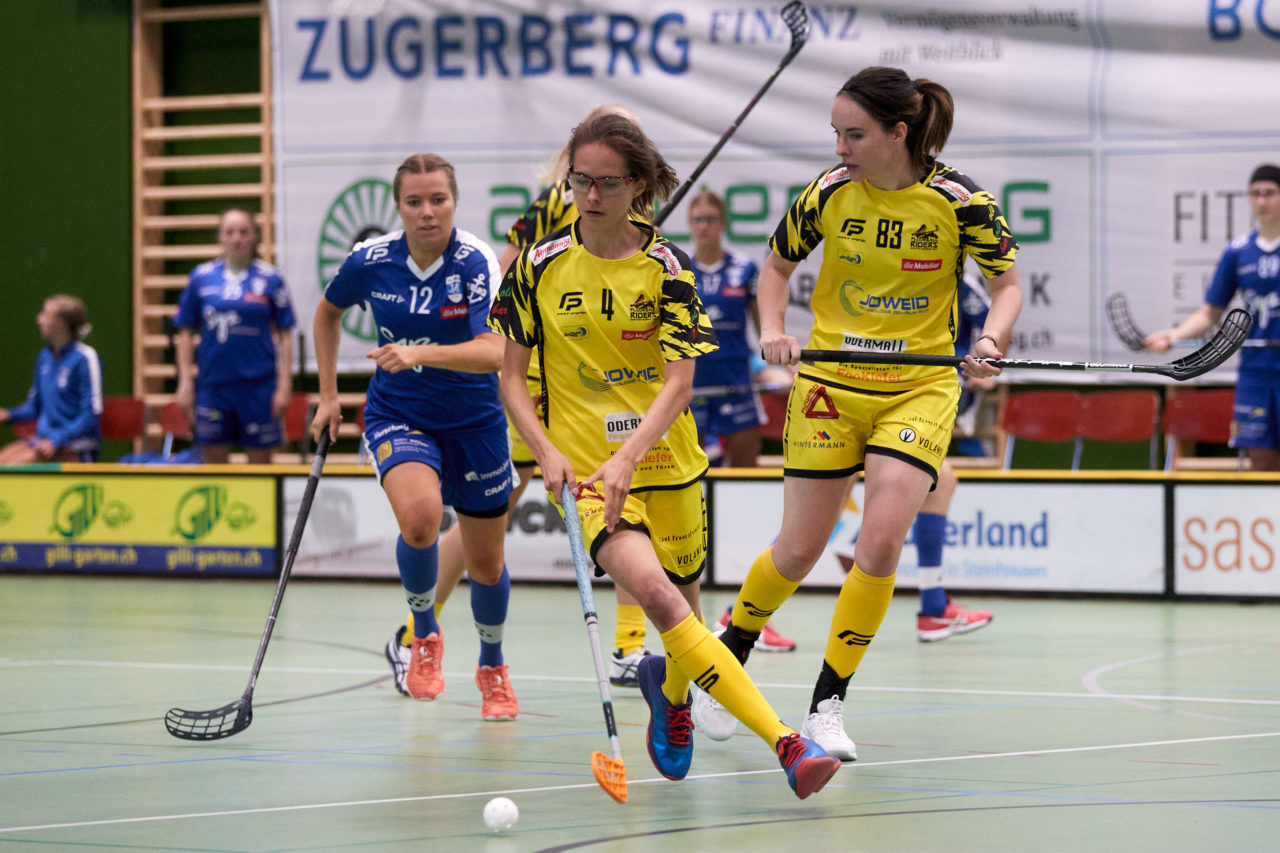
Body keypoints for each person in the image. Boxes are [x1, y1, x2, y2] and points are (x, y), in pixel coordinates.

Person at [489, 112, 841, 799]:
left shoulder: (670, 269)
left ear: (641, 185)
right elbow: (510, 377)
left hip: (669, 463)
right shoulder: (536, 267)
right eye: (579, 181)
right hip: (591, 475)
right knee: (657, 596)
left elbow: (680, 386)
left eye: (607, 183)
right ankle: (788, 744)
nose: (590, 196)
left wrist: (630, 456)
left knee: (681, 595)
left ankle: (669, 692)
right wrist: (546, 451)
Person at [692, 66, 1023, 758]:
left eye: (855, 134)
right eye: (836, 133)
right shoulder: (829, 192)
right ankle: (729, 657)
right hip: (830, 385)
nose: (840, 147)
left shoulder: (962, 201)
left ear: (899, 132)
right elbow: (774, 269)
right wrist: (776, 327)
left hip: (918, 387)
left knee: (878, 543)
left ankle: (826, 705)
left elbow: (1008, 284)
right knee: (799, 550)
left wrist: (992, 340)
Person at [386, 105, 658, 694]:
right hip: (542, 387)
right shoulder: (559, 207)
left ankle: (630, 649)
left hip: (592, 389)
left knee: (612, 504)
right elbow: (511, 284)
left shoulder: (634, 209)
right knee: (499, 515)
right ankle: (413, 636)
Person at [312, 153, 519, 721]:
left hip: (475, 421)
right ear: (398, 206)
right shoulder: (371, 260)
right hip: (399, 414)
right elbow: (326, 314)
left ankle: (492, 666)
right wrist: (329, 395)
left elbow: (494, 353)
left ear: (454, 201)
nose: (427, 213)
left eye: (438, 200)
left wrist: (419, 352)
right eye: (414, 202)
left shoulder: (476, 262)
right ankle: (423, 635)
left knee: (487, 567)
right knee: (422, 518)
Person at [684, 189, 799, 651]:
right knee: (688, 482)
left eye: (711, 218)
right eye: (697, 220)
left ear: (723, 222)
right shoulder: (680, 270)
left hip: (737, 389)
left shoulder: (744, 270)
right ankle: (700, 568)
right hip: (690, 393)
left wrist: (779, 367)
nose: (704, 226)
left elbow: (764, 325)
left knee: (743, 481)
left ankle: (740, 578)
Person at [1144, 163, 1280, 472]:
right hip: (1256, 374)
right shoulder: (1238, 251)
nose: (1262, 201)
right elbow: (1211, 311)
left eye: (1270, 193)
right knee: (1261, 461)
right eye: (1255, 193)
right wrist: (1173, 336)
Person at [173, 207, 296, 464]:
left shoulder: (271, 278)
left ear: (254, 236)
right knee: (215, 470)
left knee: (261, 471)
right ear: (220, 237)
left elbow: (286, 335)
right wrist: (185, 382)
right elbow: (184, 331)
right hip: (214, 387)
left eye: (244, 232)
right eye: (230, 232)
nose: (237, 238)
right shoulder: (201, 278)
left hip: (259, 387)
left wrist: (284, 386)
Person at [915, 273, 998, 642]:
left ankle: (933, 607)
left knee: (941, 480)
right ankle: (738, 619)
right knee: (809, 536)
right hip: (885, 393)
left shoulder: (963, 281)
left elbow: (995, 316)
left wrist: (988, 354)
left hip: (914, 395)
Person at [0, 295, 102, 463]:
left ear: (60, 323)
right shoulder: (44, 357)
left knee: (14, 466)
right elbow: (34, 407)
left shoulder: (85, 358)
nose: (39, 319)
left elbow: (90, 414)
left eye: (45, 314)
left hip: (77, 445)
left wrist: (58, 438)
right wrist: (8, 414)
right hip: (43, 441)